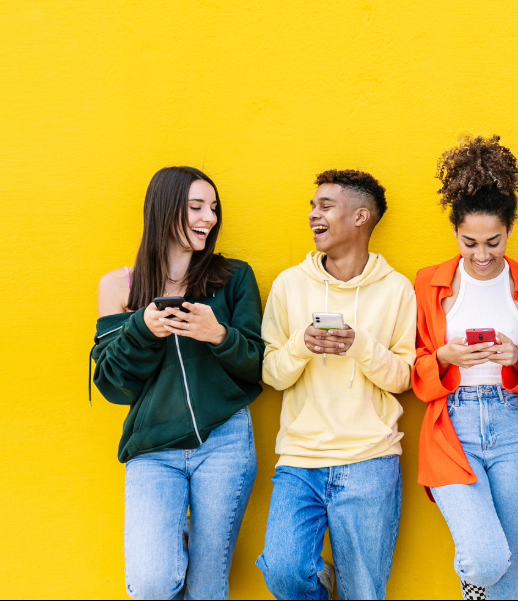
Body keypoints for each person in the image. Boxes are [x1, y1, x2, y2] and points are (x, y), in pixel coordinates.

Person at [92, 166, 264, 599]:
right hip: (153, 450)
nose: (208, 218)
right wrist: (143, 329)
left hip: (225, 442)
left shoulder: (233, 277)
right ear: (164, 209)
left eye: (213, 208)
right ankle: (177, 540)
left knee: (207, 589)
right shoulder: (119, 286)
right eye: (195, 207)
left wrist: (219, 335)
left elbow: (259, 364)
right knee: (152, 584)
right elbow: (114, 385)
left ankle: (186, 541)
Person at [256, 169, 417, 600]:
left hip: (370, 459)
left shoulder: (398, 290)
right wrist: (301, 345)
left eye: (325, 206)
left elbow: (403, 379)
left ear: (361, 217)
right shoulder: (289, 285)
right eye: (313, 206)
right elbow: (270, 373)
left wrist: (360, 344)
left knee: (364, 592)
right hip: (300, 459)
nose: (313, 215)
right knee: (284, 572)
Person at [412, 136, 518, 600]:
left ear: (510, 230)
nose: (481, 254)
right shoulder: (428, 283)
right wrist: (443, 358)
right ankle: (471, 577)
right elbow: (413, 367)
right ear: (454, 232)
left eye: (493, 242)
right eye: (469, 242)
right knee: (486, 557)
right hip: (451, 424)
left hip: (513, 422)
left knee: (511, 572)